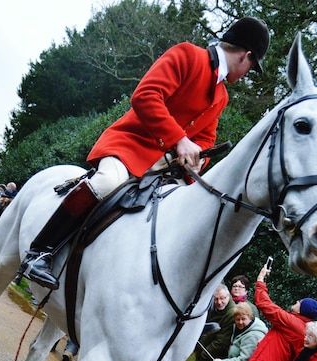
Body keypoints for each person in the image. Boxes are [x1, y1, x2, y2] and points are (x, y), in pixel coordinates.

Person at [16, 17, 270, 290]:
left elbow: (206, 139)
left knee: (186, 214)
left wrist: (196, 162)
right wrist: (179, 139)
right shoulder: (187, 54)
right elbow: (145, 96)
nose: (247, 74)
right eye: (252, 68)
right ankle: (39, 252)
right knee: (106, 183)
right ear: (246, 56)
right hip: (130, 146)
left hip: (165, 166)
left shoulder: (221, 96)